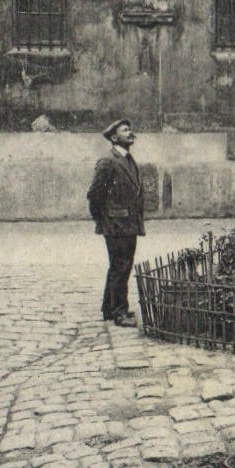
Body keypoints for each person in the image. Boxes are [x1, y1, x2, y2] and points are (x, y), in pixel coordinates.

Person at [87, 118, 145, 326]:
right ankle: (119, 312)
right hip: (116, 225)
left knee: (120, 266)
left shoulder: (128, 159)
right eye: (125, 130)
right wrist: (103, 220)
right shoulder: (108, 161)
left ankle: (109, 308)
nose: (130, 132)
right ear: (114, 137)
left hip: (128, 223)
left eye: (131, 129)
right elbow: (94, 195)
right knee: (120, 267)